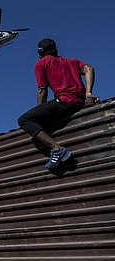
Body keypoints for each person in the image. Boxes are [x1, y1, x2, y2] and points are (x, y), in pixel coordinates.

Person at [18, 38, 100, 170]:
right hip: (79, 101)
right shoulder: (72, 61)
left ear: (40, 54)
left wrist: (40, 112)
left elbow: (42, 90)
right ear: (55, 50)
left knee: (25, 120)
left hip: (65, 101)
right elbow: (89, 69)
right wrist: (88, 94)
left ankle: (57, 150)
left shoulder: (41, 64)